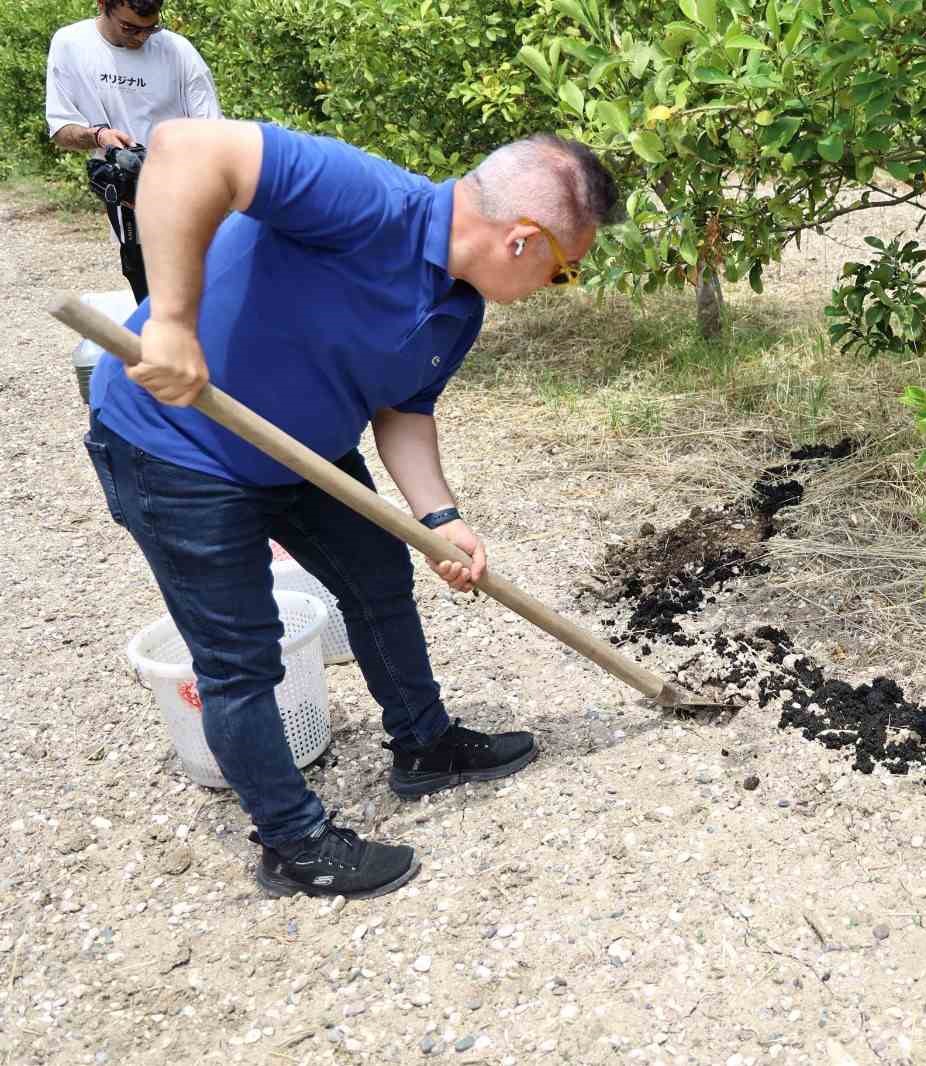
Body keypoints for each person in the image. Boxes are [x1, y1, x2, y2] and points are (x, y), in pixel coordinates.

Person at [81, 116, 619, 900]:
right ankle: (293, 842)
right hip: (177, 446)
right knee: (241, 656)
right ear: (523, 242)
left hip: (306, 452)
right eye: (564, 273)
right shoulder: (364, 198)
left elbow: (403, 411)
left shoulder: (458, 307)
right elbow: (184, 149)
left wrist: (440, 519)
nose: (553, 291)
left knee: (377, 578)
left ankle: (425, 746)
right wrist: (170, 321)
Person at [45, 0, 222, 303]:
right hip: (128, 204)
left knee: (208, 301)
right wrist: (99, 136)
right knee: (153, 302)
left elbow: (212, 132)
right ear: (102, 4)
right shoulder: (70, 44)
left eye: (151, 28)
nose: (141, 37)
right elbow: (61, 130)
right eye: (130, 27)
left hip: (187, 201)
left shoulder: (177, 50)